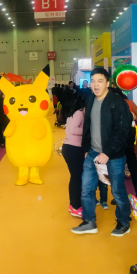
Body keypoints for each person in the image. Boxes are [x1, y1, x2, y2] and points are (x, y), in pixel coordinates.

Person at [72, 68, 133, 236]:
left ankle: (124, 221)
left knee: (117, 191)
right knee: (86, 188)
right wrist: (86, 148)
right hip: (92, 152)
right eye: (93, 81)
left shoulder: (117, 102)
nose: (96, 85)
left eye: (100, 81)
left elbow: (122, 130)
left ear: (107, 83)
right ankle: (89, 221)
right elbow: (88, 126)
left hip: (114, 155)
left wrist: (107, 152)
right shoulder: (90, 99)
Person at [110, 86, 137, 195]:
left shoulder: (128, 103)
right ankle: (118, 195)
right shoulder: (107, 105)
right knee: (117, 171)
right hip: (115, 142)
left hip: (128, 141)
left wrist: (134, 117)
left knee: (133, 168)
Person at [61, 88, 88, 217]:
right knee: (77, 178)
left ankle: (73, 204)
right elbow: (73, 130)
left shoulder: (74, 112)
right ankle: (76, 207)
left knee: (75, 177)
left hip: (70, 147)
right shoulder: (79, 112)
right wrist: (88, 130)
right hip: (73, 148)